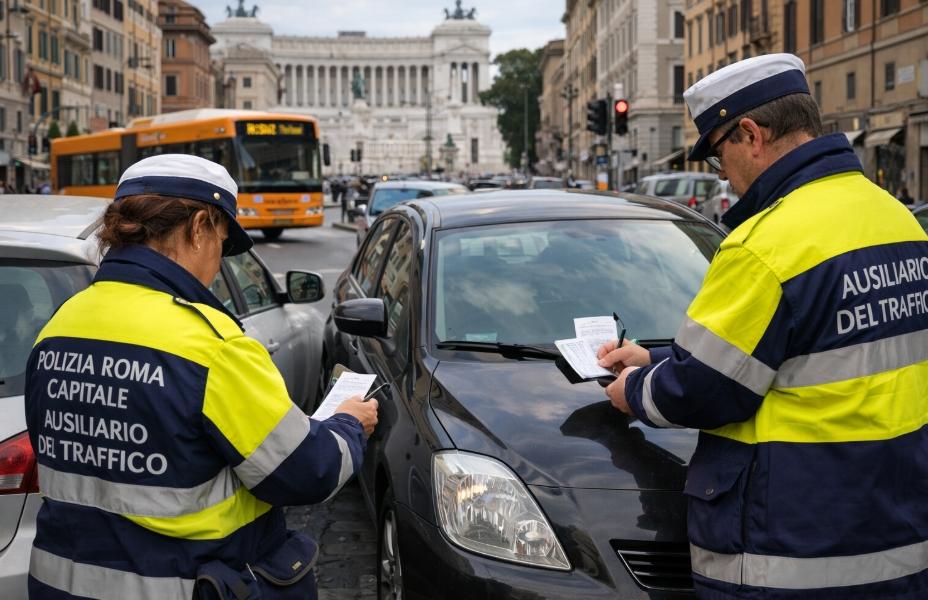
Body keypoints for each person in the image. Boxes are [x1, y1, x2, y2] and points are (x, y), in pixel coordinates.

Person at [597, 54, 928, 599]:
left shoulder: (764, 245)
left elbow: (704, 389)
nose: (720, 172)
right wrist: (654, 358)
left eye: (717, 153)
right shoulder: (896, 219)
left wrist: (635, 387)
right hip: (898, 542)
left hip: (799, 550)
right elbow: (820, 351)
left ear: (750, 133)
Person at [24, 154, 378, 599]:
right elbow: (307, 472)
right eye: (221, 241)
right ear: (198, 227)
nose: (216, 265)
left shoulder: (59, 325)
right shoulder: (211, 345)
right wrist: (348, 422)